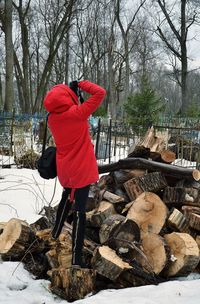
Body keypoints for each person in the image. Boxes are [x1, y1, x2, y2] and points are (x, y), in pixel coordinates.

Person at [43, 80, 106, 268]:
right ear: (69, 97)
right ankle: (76, 260)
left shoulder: (51, 118)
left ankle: (54, 234)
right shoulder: (78, 114)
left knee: (66, 196)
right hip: (81, 168)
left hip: (66, 169)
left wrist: (71, 94)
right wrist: (81, 84)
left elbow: (65, 109)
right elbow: (100, 92)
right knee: (80, 211)